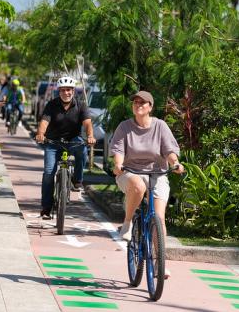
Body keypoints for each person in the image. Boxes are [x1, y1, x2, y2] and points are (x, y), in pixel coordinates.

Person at [109, 90, 184, 279]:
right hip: (130, 172)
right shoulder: (124, 127)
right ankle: (127, 224)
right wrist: (118, 165)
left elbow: (170, 151)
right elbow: (118, 151)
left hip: (157, 174)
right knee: (138, 187)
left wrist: (175, 164)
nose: (138, 105)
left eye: (143, 103)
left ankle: (160, 263)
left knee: (159, 217)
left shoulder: (160, 126)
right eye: (135, 102)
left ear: (150, 107)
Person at [35, 76, 96, 219]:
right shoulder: (52, 105)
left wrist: (90, 136)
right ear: (59, 91)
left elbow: (87, 123)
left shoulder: (81, 105)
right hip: (53, 142)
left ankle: (77, 180)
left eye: (68, 90)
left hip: (72, 141)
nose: (66, 93)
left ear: (73, 91)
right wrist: (40, 133)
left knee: (82, 149)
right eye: (62, 90)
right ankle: (46, 208)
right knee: (49, 173)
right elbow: (44, 121)